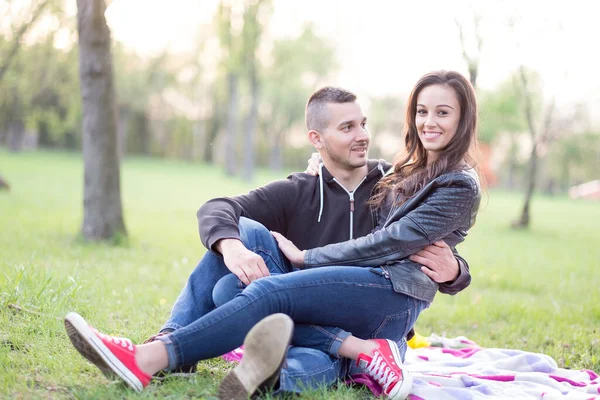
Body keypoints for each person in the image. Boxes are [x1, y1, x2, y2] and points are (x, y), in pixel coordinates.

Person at [65, 70, 481, 400]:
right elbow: (217, 208)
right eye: (347, 128)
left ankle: (164, 360)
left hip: (363, 302)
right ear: (317, 140)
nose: (362, 136)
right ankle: (182, 345)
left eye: (363, 124)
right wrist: (231, 247)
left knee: (279, 321)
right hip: (311, 299)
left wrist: (455, 271)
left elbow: (407, 241)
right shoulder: (302, 187)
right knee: (237, 258)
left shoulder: (390, 180)